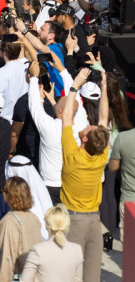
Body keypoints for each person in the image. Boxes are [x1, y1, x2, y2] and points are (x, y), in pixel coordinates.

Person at [58, 68, 109, 282]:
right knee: (92, 275)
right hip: (94, 220)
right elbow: (104, 117)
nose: (89, 125)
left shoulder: (72, 154)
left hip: (74, 220)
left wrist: (74, 86)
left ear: (85, 139)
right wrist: (104, 85)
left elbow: (66, 116)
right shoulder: (101, 156)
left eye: (89, 128)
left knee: (68, 274)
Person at [0, 177, 43, 282]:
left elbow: (7, 258)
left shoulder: (10, 222)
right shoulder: (33, 217)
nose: (2, 193)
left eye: (4, 190)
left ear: (10, 195)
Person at [20, 204, 83, 282]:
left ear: (46, 225)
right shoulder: (77, 250)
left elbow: (25, 280)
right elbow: (78, 280)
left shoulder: (37, 250)